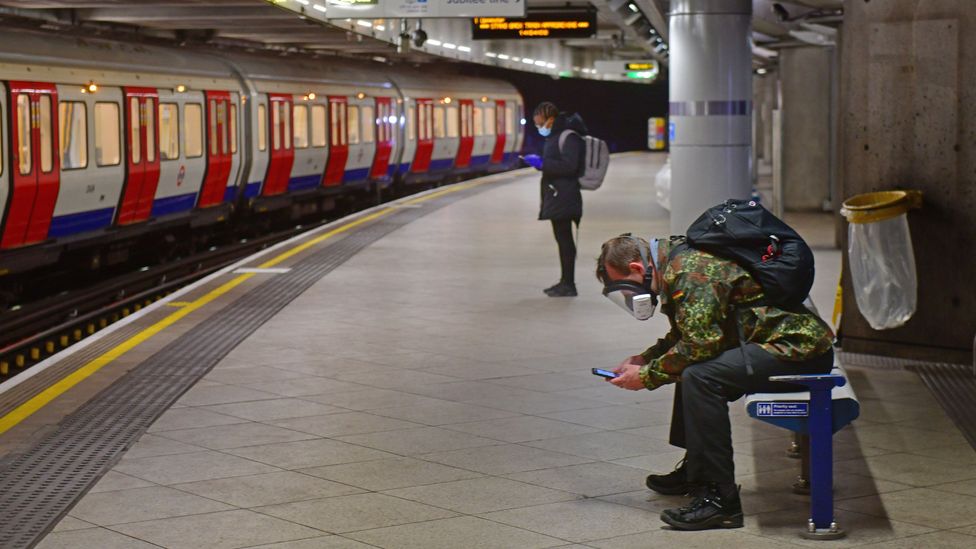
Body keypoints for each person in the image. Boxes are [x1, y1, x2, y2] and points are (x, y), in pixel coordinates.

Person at [596, 234, 834, 531]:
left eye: (627, 288)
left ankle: (720, 501)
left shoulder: (687, 270)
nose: (632, 298)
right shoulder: (675, 261)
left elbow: (699, 345)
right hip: (778, 342)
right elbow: (688, 333)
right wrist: (645, 359)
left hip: (797, 350)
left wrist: (645, 377)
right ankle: (696, 472)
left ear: (636, 266)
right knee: (691, 368)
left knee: (700, 376)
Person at [521, 102, 588, 297]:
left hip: (565, 197)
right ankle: (565, 281)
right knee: (562, 239)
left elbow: (569, 166)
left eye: (540, 123)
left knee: (565, 241)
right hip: (558, 195)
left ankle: (569, 284)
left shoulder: (569, 137)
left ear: (550, 119)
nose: (539, 128)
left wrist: (542, 163)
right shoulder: (557, 136)